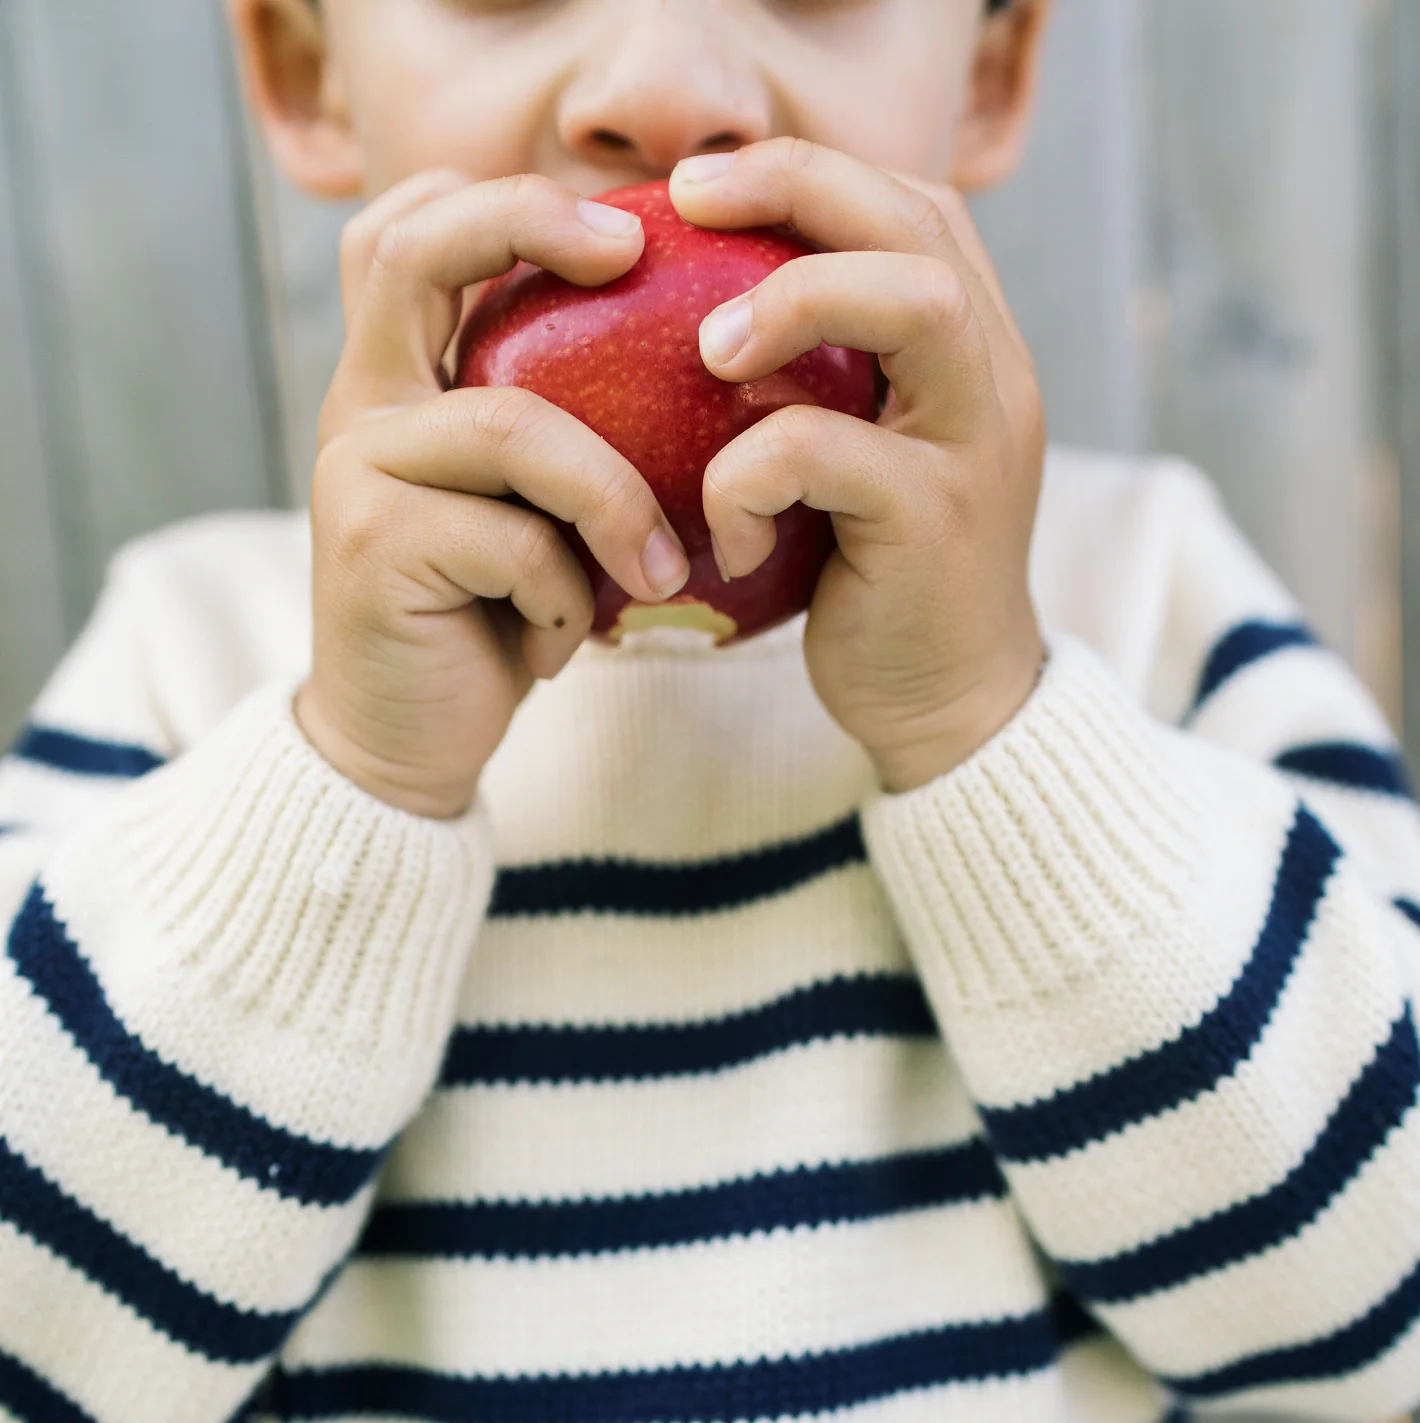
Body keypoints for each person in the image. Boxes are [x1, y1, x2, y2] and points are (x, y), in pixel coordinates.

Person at [1, 0, 1418, 1418]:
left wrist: (985, 716)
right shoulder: (197, 656)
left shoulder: (1148, 604)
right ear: (310, 76)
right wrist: (356, 770)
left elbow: (1382, 1328)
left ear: (987, 74)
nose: (661, 93)